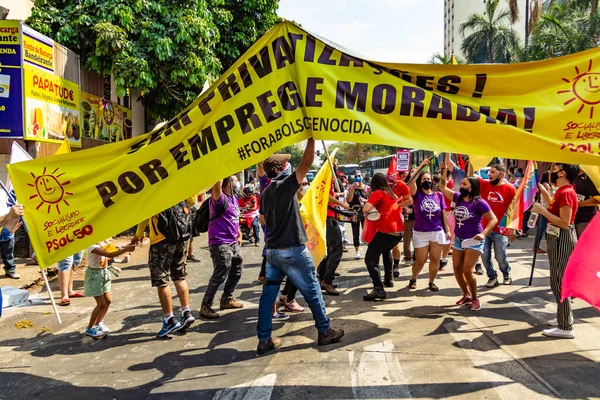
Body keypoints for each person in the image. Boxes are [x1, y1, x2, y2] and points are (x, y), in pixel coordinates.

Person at [257, 138, 344, 354]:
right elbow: (307, 161)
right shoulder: (285, 185)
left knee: (268, 295)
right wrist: (312, 138)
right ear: (278, 169)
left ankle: (264, 339)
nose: (288, 166)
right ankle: (324, 331)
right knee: (312, 289)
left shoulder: (266, 192)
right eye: (285, 164)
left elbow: (264, 220)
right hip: (292, 248)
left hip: (273, 251)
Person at [132, 200, 195, 337]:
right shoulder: (178, 185)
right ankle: (186, 311)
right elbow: (192, 201)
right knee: (179, 275)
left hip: (161, 239)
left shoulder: (153, 187)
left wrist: (139, 233)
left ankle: (169, 319)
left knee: (162, 279)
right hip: (181, 236)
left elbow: (145, 212)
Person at [531, 163, 580, 339]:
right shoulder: (562, 191)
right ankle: (562, 317)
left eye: (555, 168)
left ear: (562, 173)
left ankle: (566, 326)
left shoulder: (567, 192)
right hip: (556, 238)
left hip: (562, 237)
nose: (551, 172)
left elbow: (564, 222)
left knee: (560, 281)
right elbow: (553, 203)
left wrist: (542, 211)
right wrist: (544, 194)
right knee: (556, 280)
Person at [440, 170, 497, 311]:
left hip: (474, 240)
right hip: (459, 239)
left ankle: (475, 297)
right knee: (457, 268)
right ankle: (466, 295)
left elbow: (493, 219)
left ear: (471, 187)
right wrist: (443, 171)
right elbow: (442, 188)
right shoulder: (458, 197)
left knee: (467, 270)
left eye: (465, 183)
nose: (462, 185)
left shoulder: (479, 202)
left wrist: (484, 233)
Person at [200, 176, 244, 320]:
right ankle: (205, 305)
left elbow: (234, 217)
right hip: (220, 242)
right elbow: (216, 187)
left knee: (237, 269)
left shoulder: (234, 199)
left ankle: (226, 299)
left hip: (233, 242)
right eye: (235, 180)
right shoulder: (219, 198)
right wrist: (221, 169)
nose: (237, 182)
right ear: (228, 184)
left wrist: (238, 233)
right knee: (221, 272)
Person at [362, 173, 412, 300]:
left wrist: (368, 205)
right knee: (385, 251)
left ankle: (378, 288)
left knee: (370, 259)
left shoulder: (378, 193)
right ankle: (388, 280)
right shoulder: (391, 194)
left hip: (386, 230)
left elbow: (366, 209)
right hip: (398, 231)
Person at [407, 159, 451, 291]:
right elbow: (410, 182)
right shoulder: (417, 195)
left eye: (429, 178)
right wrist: (421, 166)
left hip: (437, 231)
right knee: (420, 261)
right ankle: (414, 277)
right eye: (424, 179)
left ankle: (431, 282)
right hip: (421, 232)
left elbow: (443, 214)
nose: (427, 181)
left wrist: (447, 230)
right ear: (420, 182)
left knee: (435, 259)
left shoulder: (438, 195)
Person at [475, 164, 517, 287]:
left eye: (493, 172)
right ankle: (492, 276)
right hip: (485, 228)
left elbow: (513, 210)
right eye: (489, 172)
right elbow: (472, 176)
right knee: (484, 256)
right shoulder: (485, 184)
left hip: (501, 229)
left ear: (501, 174)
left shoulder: (510, 189)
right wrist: (471, 161)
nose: (489, 174)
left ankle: (506, 273)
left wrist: (512, 229)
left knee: (500, 256)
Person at [84, 240, 135, 338]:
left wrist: (128, 246)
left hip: (104, 273)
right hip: (95, 276)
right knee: (101, 304)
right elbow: (109, 254)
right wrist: (126, 249)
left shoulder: (103, 244)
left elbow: (112, 252)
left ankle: (98, 323)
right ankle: (90, 328)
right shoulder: (93, 247)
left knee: (108, 301)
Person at [317, 173, 349, 296]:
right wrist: (342, 204)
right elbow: (326, 196)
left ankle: (322, 278)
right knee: (336, 249)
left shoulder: (325, 177)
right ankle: (327, 280)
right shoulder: (326, 177)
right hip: (327, 217)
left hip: (326, 216)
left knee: (327, 250)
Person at [385, 172, 412, 277]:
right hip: (382, 218)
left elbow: (409, 200)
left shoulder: (402, 185)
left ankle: (395, 266)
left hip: (396, 218)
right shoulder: (379, 186)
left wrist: (398, 205)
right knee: (384, 246)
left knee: (395, 244)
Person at [573, 167, 600, 238]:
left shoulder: (589, 177)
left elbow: (597, 199)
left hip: (585, 220)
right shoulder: (571, 175)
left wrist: (577, 204)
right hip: (571, 220)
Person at [347, 171, 368, 259]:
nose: (357, 178)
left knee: (366, 231)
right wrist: (353, 188)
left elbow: (371, 200)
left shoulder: (367, 188)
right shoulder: (352, 187)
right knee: (355, 232)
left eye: (359, 176)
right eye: (356, 176)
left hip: (364, 212)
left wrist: (365, 200)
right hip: (354, 212)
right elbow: (349, 200)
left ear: (362, 177)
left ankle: (369, 249)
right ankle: (357, 251)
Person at [0, 204, 24, 279]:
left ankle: (10, 270)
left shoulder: (11, 193)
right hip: (4, 220)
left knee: (8, 251)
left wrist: (15, 222)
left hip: (7, 226)